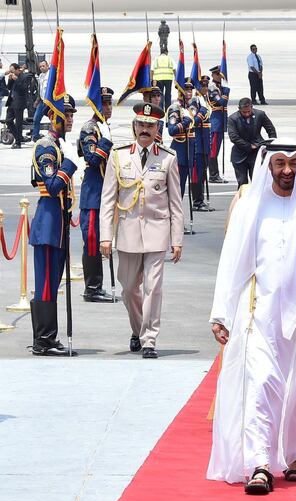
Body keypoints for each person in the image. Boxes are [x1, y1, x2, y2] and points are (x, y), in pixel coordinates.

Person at [207, 139, 296, 494]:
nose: (287, 170)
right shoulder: (250, 207)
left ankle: (293, 452)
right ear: (268, 165)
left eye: (293, 164)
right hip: (259, 316)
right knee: (261, 383)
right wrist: (221, 312)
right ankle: (260, 464)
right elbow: (232, 263)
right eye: (280, 163)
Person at [99, 103, 183, 359]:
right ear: (135, 126)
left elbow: (176, 202)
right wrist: (106, 236)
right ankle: (138, 329)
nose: (145, 129)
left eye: (150, 125)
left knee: (153, 288)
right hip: (127, 233)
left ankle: (149, 340)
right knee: (128, 289)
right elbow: (108, 199)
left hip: (157, 232)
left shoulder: (168, 157)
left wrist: (176, 239)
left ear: (158, 129)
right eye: (141, 124)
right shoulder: (119, 155)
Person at [28, 94, 79, 356]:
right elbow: (52, 185)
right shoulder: (46, 147)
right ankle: (43, 340)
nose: (70, 119)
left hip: (56, 224)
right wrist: (69, 165)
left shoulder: (58, 145)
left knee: (53, 281)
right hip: (48, 225)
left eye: (71, 115)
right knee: (47, 283)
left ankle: (48, 336)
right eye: (66, 115)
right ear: (54, 117)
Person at [78, 86, 115, 303]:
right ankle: (91, 288)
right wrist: (106, 141)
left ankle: (97, 285)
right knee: (91, 240)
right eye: (104, 103)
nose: (108, 108)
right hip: (93, 192)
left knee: (101, 239)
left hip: (104, 190)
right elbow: (92, 159)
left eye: (109, 103)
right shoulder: (89, 129)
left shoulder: (103, 127)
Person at [227, 97, 278, 187]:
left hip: (256, 153)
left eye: (249, 112)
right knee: (242, 182)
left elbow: (270, 129)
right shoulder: (233, 119)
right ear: (239, 109)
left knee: (257, 181)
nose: (247, 114)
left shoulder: (260, 114)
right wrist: (249, 146)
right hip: (240, 154)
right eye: (244, 112)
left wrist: (272, 144)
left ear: (252, 107)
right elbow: (233, 137)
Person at [167, 79, 195, 198]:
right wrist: (184, 123)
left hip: (188, 152)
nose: (189, 92)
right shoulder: (175, 108)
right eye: (186, 89)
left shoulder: (188, 107)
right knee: (176, 189)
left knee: (182, 189)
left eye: (190, 89)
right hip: (180, 152)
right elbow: (172, 130)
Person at [190, 80, 213, 211]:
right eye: (202, 86)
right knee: (197, 174)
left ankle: (201, 199)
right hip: (198, 144)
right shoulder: (195, 102)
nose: (205, 88)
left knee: (203, 173)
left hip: (205, 143)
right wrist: (202, 110)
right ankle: (197, 201)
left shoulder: (204, 99)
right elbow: (194, 121)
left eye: (206, 86)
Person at [207, 65, 230, 184]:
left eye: (220, 74)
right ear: (213, 75)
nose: (220, 76)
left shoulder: (219, 87)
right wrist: (226, 91)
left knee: (216, 150)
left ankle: (215, 174)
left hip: (220, 121)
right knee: (213, 150)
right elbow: (222, 102)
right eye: (217, 74)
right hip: (215, 121)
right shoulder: (212, 88)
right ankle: (213, 175)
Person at [7, 63, 33, 149]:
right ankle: (19, 138)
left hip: (19, 102)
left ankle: (18, 143)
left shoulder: (25, 76)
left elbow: (24, 88)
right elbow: (9, 87)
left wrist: (17, 79)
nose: (12, 72)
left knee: (18, 123)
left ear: (18, 69)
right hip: (11, 101)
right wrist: (10, 79)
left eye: (12, 71)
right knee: (8, 121)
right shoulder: (13, 76)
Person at [31, 59, 49, 141]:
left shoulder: (51, 75)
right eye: (40, 66)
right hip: (42, 101)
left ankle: (54, 135)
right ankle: (35, 136)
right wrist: (37, 100)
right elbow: (40, 89)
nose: (42, 68)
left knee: (53, 119)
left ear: (47, 66)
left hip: (50, 102)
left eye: (43, 66)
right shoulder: (41, 76)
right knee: (36, 118)